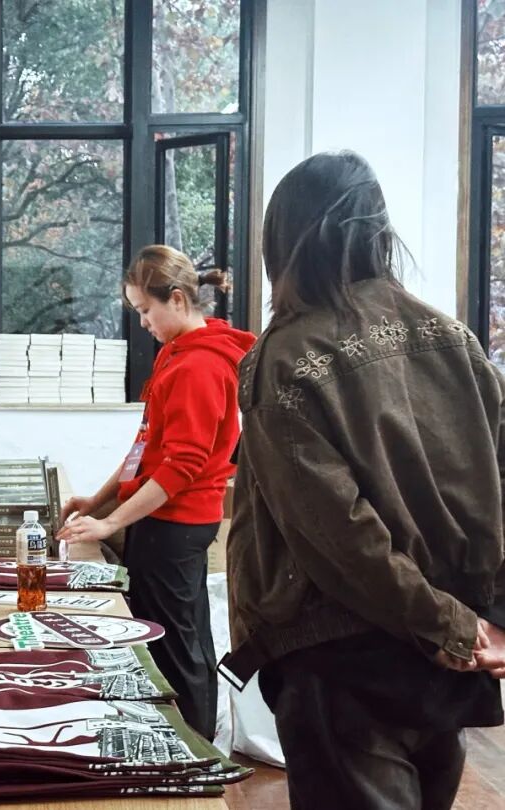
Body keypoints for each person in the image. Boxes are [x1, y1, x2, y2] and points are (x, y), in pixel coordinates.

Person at [224, 150, 505, 809]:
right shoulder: (455, 339)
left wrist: (449, 625)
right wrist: (478, 622)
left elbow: (338, 537)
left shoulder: (285, 358)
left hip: (344, 660)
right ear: (379, 231)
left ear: (281, 240)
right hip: (445, 656)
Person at [56, 245, 254, 739]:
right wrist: (99, 501)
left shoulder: (199, 367)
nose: (142, 322)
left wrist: (110, 522)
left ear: (179, 299)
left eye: (146, 310)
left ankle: (190, 745)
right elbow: (145, 448)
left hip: (175, 523)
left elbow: (181, 466)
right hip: (161, 519)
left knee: (174, 644)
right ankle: (181, 737)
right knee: (173, 635)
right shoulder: (177, 353)